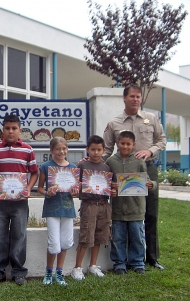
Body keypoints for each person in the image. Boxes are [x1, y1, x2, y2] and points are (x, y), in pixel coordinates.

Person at [103, 84, 167, 270]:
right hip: (122, 171)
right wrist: (94, 163)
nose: (135, 99)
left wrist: (150, 150)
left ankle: (152, 258)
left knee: (150, 213)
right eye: (132, 96)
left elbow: (162, 140)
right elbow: (107, 150)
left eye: (138, 97)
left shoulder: (151, 118)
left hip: (145, 168)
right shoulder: (114, 123)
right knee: (124, 215)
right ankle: (124, 260)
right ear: (124, 98)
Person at [0, 114, 38, 285]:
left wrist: (28, 188)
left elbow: (34, 173)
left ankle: (18, 272)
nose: (11, 131)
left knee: (19, 235)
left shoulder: (28, 150)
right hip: (0, 201)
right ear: (3, 130)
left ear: (20, 130)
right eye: (7, 128)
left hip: (20, 202)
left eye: (14, 128)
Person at [106, 131, 156, 274]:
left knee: (137, 237)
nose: (125, 146)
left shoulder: (139, 161)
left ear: (133, 145)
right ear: (117, 143)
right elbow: (105, 182)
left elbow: (146, 181)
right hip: (117, 208)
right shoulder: (110, 162)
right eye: (122, 143)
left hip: (137, 208)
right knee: (118, 238)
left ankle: (138, 262)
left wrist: (151, 184)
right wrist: (111, 187)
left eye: (128, 144)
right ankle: (119, 264)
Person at [72, 135, 115, 281]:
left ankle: (93, 265)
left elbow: (109, 187)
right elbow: (75, 184)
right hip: (89, 205)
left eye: (99, 150)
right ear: (87, 150)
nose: (96, 153)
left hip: (104, 204)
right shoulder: (82, 166)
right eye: (93, 150)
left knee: (99, 236)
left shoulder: (106, 168)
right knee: (86, 236)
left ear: (103, 150)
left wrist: (112, 191)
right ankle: (77, 268)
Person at [37, 137, 78, 286]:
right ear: (51, 150)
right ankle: (48, 271)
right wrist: (48, 192)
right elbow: (40, 188)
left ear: (67, 149)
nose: (61, 151)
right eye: (58, 149)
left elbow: (76, 190)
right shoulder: (46, 167)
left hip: (68, 209)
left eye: (64, 148)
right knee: (54, 243)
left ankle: (59, 273)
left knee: (66, 242)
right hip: (52, 208)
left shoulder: (73, 167)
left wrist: (75, 192)